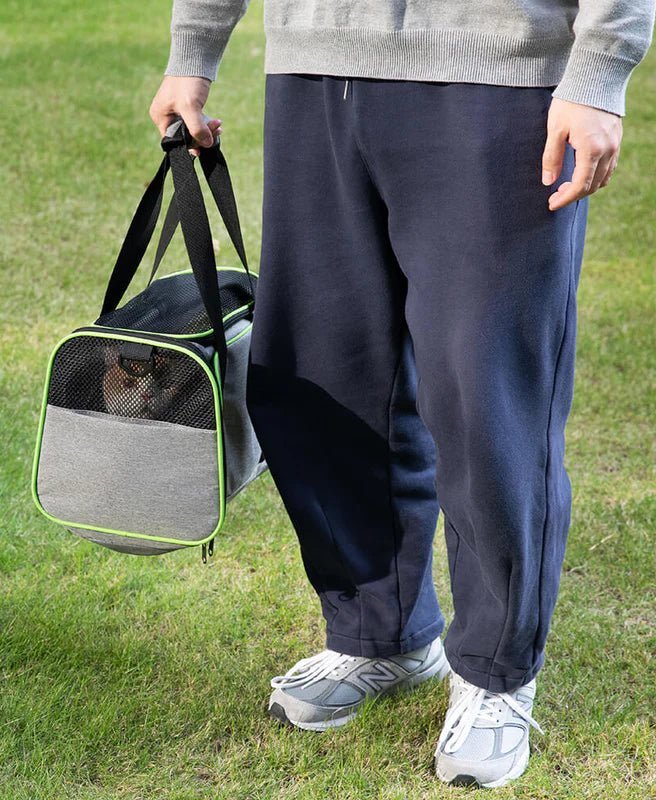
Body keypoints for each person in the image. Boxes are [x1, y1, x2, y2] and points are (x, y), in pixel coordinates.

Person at [149, 0, 654, 789]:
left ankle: (495, 671)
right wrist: (194, 48)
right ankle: (376, 634)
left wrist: (598, 72)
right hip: (313, 67)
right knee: (326, 375)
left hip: (499, 74)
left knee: (488, 397)